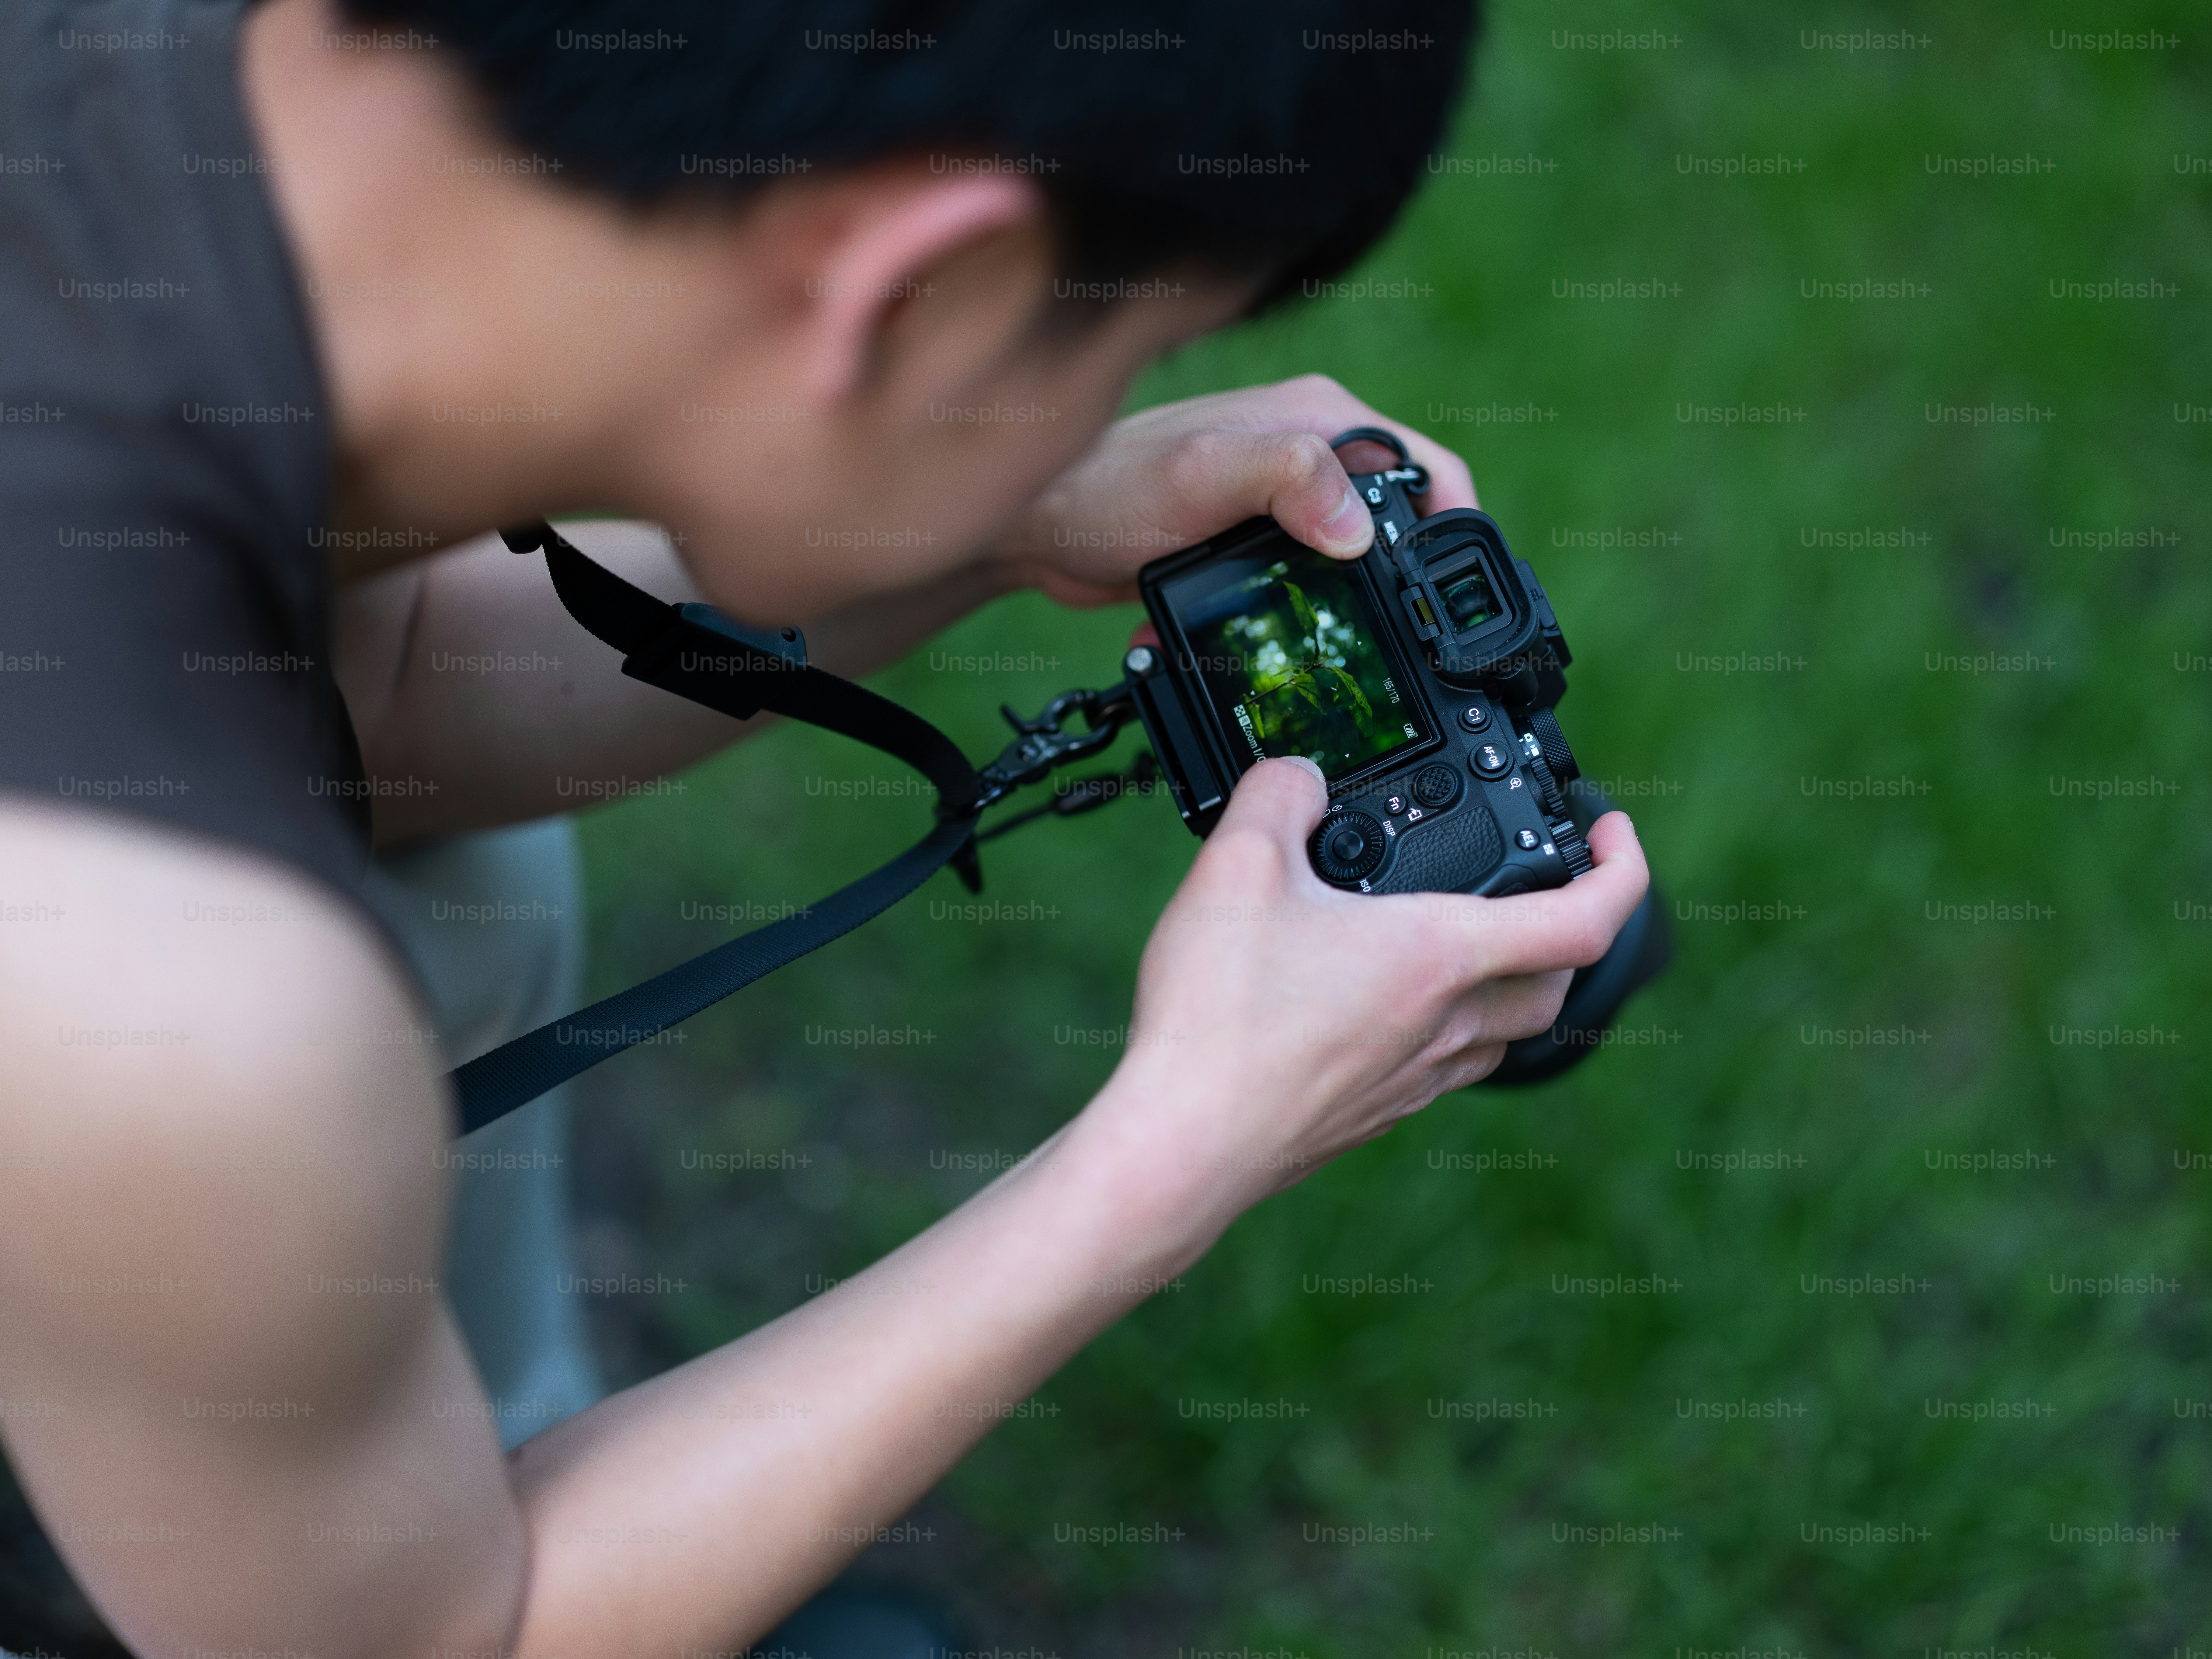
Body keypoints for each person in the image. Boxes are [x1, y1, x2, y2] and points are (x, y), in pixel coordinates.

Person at [0, 0, 1651, 1652]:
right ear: (914, 290)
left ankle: (384, 1471)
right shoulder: (163, 1005)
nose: (1105, 409)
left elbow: (388, 694)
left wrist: (998, 513)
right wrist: (1179, 1148)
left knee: (450, 882)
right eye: (1121, 353)